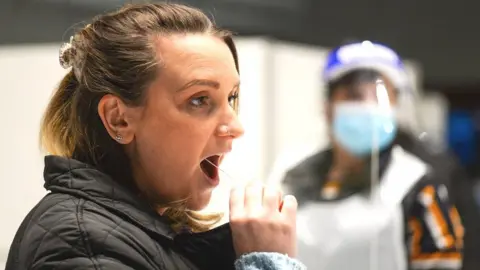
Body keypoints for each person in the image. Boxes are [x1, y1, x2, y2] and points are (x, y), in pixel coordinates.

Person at [5, 3, 305, 270]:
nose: (235, 126)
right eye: (199, 100)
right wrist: (267, 263)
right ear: (118, 119)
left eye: (231, 97)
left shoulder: (144, 234)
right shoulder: (83, 244)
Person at [269, 41, 465, 270]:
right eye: (354, 95)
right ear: (328, 105)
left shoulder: (415, 184)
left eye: (380, 96)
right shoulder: (292, 175)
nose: (368, 106)